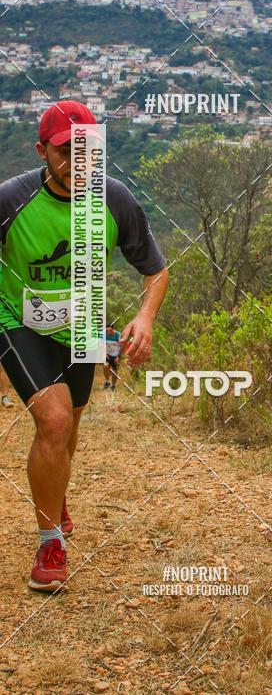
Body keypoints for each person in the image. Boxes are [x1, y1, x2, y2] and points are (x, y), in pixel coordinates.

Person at [0, 100, 170, 592]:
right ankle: (50, 540)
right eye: (65, 151)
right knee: (52, 420)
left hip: (83, 326)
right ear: (42, 151)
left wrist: (144, 317)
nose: (78, 162)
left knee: (69, 426)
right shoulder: (12, 201)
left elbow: (156, 270)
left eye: (89, 150)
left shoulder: (114, 199)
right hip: (19, 321)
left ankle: (54, 492)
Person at [103, 325, 122, 392]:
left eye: (110, 331)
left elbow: (122, 346)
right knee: (105, 366)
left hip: (116, 355)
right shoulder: (104, 334)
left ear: (113, 330)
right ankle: (107, 381)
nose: (108, 332)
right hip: (107, 354)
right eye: (107, 331)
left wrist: (118, 356)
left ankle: (113, 385)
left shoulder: (118, 335)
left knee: (115, 371)